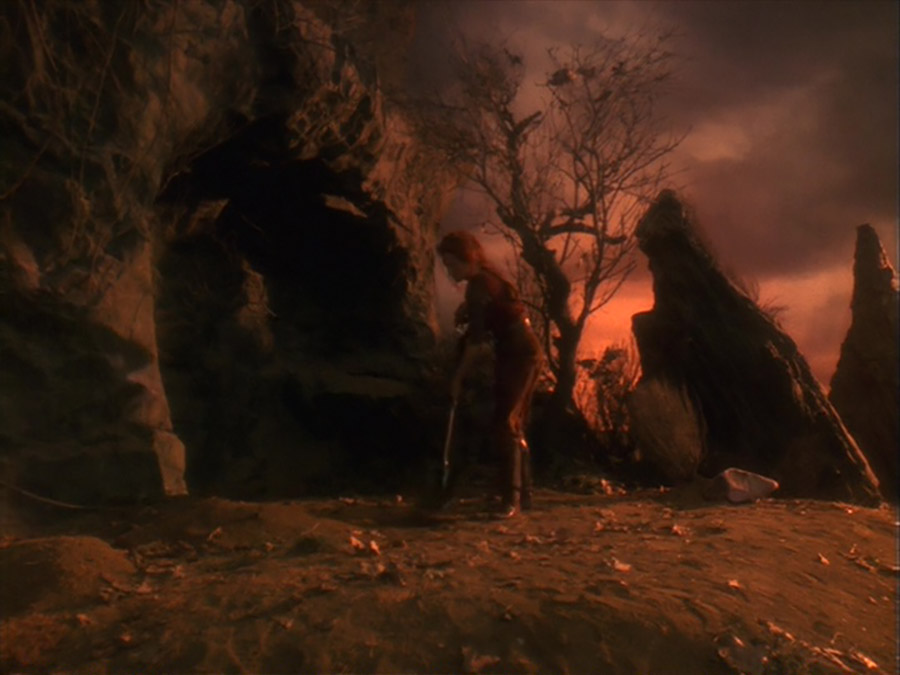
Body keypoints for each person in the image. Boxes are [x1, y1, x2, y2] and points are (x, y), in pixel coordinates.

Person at [437, 231, 543, 518]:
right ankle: (523, 496)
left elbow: (477, 342)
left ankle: (511, 500)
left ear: (466, 259)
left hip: (520, 356)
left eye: (452, 264)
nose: (450, 271)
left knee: (506, 423)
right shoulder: (487, 279)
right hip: (521, 353)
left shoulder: (478, 286)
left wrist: (458, 378)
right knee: (513, 422)